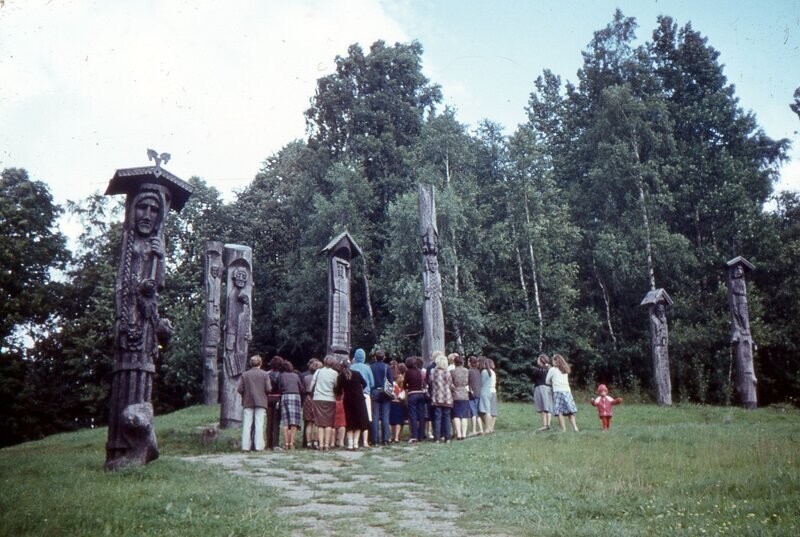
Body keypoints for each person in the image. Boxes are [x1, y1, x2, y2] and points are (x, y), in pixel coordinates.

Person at [237, 355, 272, 452]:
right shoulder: (265, 374)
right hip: (261, 401)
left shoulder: (245, 374)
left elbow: (240, 389)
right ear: (260, 363)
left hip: (248, 401)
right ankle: (259, 446)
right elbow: (268, 389)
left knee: (247, 424)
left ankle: (245, 447)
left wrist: (245, 395)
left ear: (250, 363)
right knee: (259, 424)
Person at [335, 360, 370, 450]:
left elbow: (338, 391)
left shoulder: (341, 376)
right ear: (350, 366)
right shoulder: (357, 374)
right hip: (359, 400)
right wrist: (358, 389)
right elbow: (365, 384)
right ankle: (355, 443)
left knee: (350, 421)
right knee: (358, 421)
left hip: (348, 400)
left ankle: (350, 444)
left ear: (342, 367)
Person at [311, 355, 339, 450]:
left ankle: (321, 444)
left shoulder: (318, 371)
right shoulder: (335, 374)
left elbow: (312, 384)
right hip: (330, 399)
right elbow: (336, 386)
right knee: (328, 423)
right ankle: (327, 444)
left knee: (319, 423)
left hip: (318, 398)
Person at [546, 354, 579, 432]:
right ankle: (575, 428)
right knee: (570, 411)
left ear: (555, 361)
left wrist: (551, 378)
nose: (552, 362)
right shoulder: (565, 369)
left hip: (558, 392)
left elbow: (547, 381)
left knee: (559, 411)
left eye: (553, 360)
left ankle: (563, 429)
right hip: (567, 391)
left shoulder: (552, 370)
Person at [351, 348, 375, 447]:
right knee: (366, 417)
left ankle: (353, 440)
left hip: (353, 395)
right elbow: (372, 383)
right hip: (365, 394)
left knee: (354, 417)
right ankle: (365, 441)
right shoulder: (367, 368)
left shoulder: (351, 367)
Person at [370, 349, 394, 446]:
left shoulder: (371, 367)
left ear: (375, 357)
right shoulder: (387, 367)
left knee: (375, 416)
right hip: (385, 392)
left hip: (375, 391)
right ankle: (386, 439)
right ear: (384, 357)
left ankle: (375, 440)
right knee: (385, 416)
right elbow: (391, 382)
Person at [429, 351, 455, 443]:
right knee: (447, 418)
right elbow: (451, 385)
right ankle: (447, 438)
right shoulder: (447, 373)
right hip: (447, 397)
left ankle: (437, 438)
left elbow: (430, 382)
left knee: (437, 418)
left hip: (437, 397)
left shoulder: (433, 372)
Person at [278, 360, 304, 449]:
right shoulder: (296, 375)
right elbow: (301, 387)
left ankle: (286, 443)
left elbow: (279, 387)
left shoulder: (281, 376)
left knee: (285, 421)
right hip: (295, 396)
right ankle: (292, 443)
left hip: (285, 396)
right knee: (294, 422)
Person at [403, 356, 426, 443]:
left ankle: (414, 436)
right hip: (421, 394)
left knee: (413, 416)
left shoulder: (408, 372)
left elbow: (405, 384)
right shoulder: (419, 371)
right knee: (421, 415)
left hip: (412, 394)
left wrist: (407, 387)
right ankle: (421, 435)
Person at [301, 358, 321, 449]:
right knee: (316, 423)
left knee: (308, 423)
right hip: (317, 398)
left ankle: (308, 442)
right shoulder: (319, 377)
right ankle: (316, 442)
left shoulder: (305, 377)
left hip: (308, 398)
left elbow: (303, 389)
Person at [450, 354, 470, 440]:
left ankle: (458, 434)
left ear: (455, 363)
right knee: (464, 416)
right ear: (462, 362)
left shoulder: (452, 372)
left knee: (456, 415)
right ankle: (464, 434)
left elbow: (450, 383)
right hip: (465, 394)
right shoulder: (467, 371)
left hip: (455, 394)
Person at [266, 355, 284, 450]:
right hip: (277, 398)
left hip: (268, 398)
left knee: (269, 421)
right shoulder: (281, 375)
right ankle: (275, 444)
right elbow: (281, 388)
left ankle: (268, 443)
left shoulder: (267, 374)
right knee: (276, 422)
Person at [532, 354, 553, 431]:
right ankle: (548, 424)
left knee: (542, 407)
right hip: (548, 388)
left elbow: (533, 378)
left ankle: (544, 425)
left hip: (540, 388)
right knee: (548, 407)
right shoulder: (550, 369)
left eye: (538, 359)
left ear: (541, 361)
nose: (537, 361)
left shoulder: (538, 370)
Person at [389, 361, 407, 442]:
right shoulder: (401, 384)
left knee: (391, 421)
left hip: (391, 403)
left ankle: (391, 436)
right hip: (399, 403)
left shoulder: (390, 382)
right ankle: (396, 437)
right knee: (398, 421)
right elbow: (402, 395)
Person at [479, 357, 498, 433]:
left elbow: (482, 383)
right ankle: (491, 427)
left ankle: (488, 427)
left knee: (486, 410)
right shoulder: (492, 372)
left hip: (486, 391)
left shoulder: (484, 372)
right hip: (493, 390)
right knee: (492, 410)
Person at [467, 356, 484, 435]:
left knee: (473, 412)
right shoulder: (478, 371)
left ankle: (473, 430)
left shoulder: (469, 371)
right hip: (478, 393)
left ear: (470, 363)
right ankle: (481, 429)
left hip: (472, 393)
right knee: (477, 412)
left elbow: (468, 382)